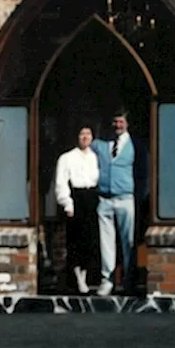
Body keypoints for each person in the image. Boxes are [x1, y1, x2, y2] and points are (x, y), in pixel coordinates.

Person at [92, 109, 148, 296]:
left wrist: (141, 195)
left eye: (121, 122)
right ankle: (106, 280)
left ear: (127, 123)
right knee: (105, 242)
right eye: (115, 122)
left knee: (128, 241)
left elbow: (143, 171)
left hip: (126, 198)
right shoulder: (100, 145)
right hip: (105, 199)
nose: (117, 125)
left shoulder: (135, 145)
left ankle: (129, 279)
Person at [54, 124, 101, 294]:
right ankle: (76, 276)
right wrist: (67, 203)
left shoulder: (95, 157)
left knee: (90, 239)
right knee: (75, 239)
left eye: (88, 134)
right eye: (82, 134)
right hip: (76, 199)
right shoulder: (67, 158)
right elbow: (61, 182)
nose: (85, 137)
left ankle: (86, 275)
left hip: (92, 198)